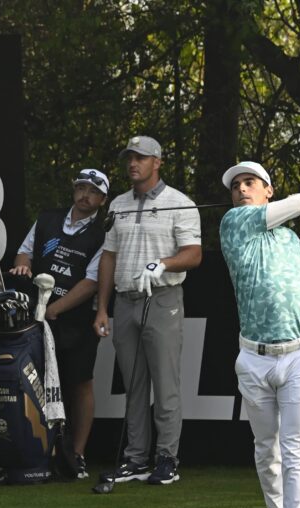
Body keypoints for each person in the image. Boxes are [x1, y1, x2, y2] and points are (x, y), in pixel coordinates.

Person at [219, 161, 300, 508]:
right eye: (236, 185)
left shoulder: (291, 240)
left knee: (295, 450)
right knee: (266, 451)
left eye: (250, 183)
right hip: (254, 360)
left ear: (267, 190)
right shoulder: (234, 223)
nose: (241, 189)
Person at [93, 136, 202, 485]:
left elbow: (193, 253)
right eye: (129, 158)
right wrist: (101, 308)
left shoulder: (180, 203)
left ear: (158, 162)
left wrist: (164, 264)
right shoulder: (118, 205)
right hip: (125, 301)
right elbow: (108, 257)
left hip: (162, 299)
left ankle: (166, 458)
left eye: (140, 158)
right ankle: (136, 458)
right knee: (134, 385)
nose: (132, 164)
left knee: (165, 384)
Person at [10, 168, 108, 479]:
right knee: (33, 383)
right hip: (35, 318)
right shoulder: (48, 219)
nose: (84, 195)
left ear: (102, 199)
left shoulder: (103, 234)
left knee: (79, 383)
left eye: (92, 191)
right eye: (80, 188)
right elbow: (23, 254)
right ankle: (39, 449)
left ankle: (77, 453)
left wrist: (54, 309)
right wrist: (23, 268)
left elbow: (92, 281)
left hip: (74, 320)